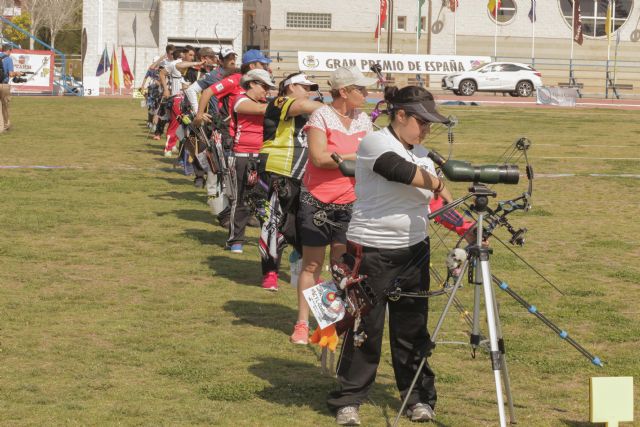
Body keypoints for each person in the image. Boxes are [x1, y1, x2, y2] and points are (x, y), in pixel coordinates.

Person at [327, 85, 453, 426]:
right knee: (363, 327)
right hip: (370, 250)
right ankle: (349, 399)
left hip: (414, 251)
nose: (426, 129)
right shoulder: (375, 143)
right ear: (400, 115)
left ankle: (417, 397)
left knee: (412, 328)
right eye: (422, 121)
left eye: (429, 123)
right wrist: (439, 182)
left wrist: (466, 227)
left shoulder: (423, 154)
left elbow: (441, 202)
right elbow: (396, 170)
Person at [290, 66, 376, 344]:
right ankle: (302, 323)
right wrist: (359, 154)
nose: (366, 93)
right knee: (312, 264)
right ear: (344, 91)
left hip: (351, 201)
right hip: (318, 200)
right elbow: (319, 158)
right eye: (360, 89)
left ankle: (328, 325)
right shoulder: (321, 116)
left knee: (340, 266)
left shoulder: (364, 120)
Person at [258, 72, 324, 291]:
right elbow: (303, 107)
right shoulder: (279, 101)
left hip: (304, 174)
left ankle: (306, 272)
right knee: (273, 222)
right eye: (305, 87)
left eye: (311, 88)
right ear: (290, 86)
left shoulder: (310, 107)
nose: (309, 92)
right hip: (277, 170)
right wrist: (333, 109)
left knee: (302, 225)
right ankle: (270, 272)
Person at [225, 68, 276, 254]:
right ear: (252, 83)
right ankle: (235, 240)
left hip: (262, 156)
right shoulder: (241, 100)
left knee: (263, 201)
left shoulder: (264, 101)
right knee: (241, 200)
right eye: (264, 86)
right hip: (242, 157)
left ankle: (268, 238)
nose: (267, 90)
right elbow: (262, 110)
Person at [0, 44, 23, 133]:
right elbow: (10, 74)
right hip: (4, 85)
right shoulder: (8, 59)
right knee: (5, 107)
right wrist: (17, 73)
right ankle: (5, 126)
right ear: (9, 50)